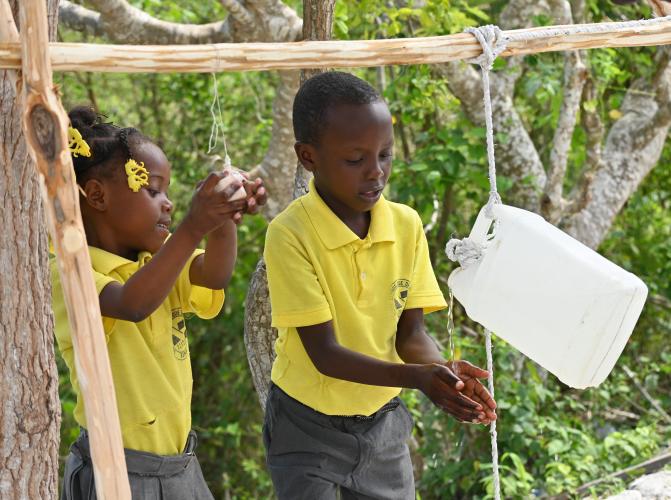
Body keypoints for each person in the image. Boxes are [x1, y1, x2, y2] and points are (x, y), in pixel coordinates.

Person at [263, 71, 498, 499]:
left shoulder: (405, 224)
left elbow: (411, 335)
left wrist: (444, 373)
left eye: (385, 155)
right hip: (305, 426)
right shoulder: (290, 233)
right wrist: (419, 379)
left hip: (382, 424)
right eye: (355, 160)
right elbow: (325, 355)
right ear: (308, 157)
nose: (376, 173)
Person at [52, 106, 266, 499]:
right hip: (115, 470)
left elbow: (213, 275)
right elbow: (133, 303)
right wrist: (194, 224)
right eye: (153, 190)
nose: (167, 203)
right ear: (97, 195)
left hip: (181, 463)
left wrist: (221, 222)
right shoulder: (68, 269)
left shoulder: (160, 258)